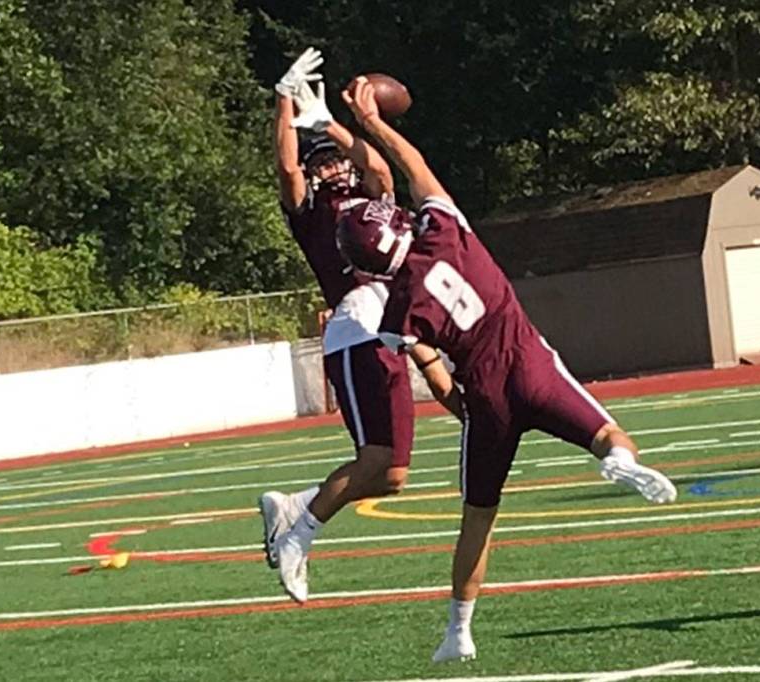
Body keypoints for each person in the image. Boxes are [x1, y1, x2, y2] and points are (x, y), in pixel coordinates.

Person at [338, 77, 678, 663]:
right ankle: (618, 461)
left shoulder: (400, 308)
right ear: (395, 222)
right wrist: (372, 125)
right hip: (531, 362)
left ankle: (458, 631)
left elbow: (433, 372)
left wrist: (457, 406)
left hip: (486, 398)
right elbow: (413, 164)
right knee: (607, 433)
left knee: (478, 518)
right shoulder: (446, 231)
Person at [260, 49, 461, 603]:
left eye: (334, 159)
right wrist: (284, 100)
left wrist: (331, 125)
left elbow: (378, 167)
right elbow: (287, 170)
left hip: (392, 324)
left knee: (392, 476)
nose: (332, 167)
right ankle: (298, 533)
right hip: (355, 331)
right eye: (321, 160)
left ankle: (297, 507)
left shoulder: (367, 193)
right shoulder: (314, 210)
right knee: (376, 458)